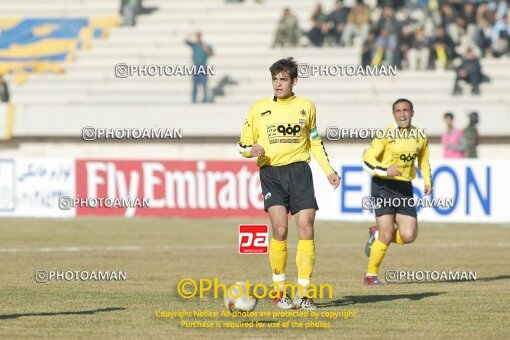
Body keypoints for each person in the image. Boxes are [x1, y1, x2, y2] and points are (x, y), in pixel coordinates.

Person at [238, 57, 340, 309]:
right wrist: (252, 150)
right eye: (274, 79)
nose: (278, 84)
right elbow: (242, 144)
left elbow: (315, 142)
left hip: (299, 172)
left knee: (306, 227)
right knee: (281, 229)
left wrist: (328, 171)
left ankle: (303, 295)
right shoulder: (258, 108)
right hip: (271, 174)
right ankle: (279, 292)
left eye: (283, 79)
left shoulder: (306, 107)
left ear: (294, 81)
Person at [362, 98, 432, 286]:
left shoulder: (420, 136)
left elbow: (424, 161)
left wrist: (427, 180)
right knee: (387, 234)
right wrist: (385, 171)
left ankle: (376, 235)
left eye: (406, 110)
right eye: (398, 111)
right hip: (383, 186)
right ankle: (371, 276)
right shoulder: (385, 134)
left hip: (404, 188)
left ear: (412, 113)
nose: (402, 114)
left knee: (409, 235)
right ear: (394, 114)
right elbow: (367, 161)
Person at [185, 32, 214, 104]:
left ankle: (205, 99)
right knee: (195, 84)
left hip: (203, 66)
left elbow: (211, 53)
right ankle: (194, 100)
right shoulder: (195, 45)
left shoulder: (205, 45)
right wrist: (189, 35)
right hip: (196, 66)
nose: (198, 37)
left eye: (199, 36)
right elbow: (186, 41)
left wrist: (207, 50)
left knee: (204, 84)